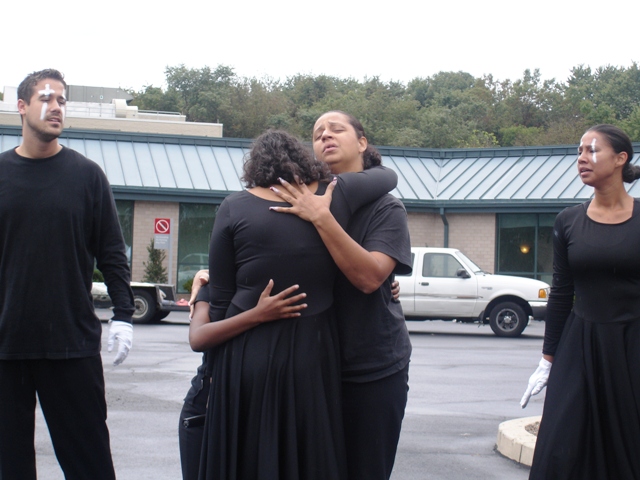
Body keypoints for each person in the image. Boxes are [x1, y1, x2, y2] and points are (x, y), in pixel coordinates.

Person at [191, 130, 397, 479]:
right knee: (306, 453)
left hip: (246, 355)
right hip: (312, 353)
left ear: (254, 168)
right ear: (303, 159)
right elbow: (387, 176)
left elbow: (222, 299)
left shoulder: (233, 207)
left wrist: (213, 371)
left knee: (249, 456)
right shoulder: (333, 195)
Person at [0, 69, 134, 480]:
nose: (56, 107)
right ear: (21, 107)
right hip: (5, 346)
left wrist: (124, 314)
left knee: (90, 465)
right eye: (46, 98)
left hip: (71, 345)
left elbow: (112, 252)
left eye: (61, 100)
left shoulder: (86, 176)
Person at [270, 110, 412, 480]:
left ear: (362, 142)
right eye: (317, 133)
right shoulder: (301, 198)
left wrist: (321, 218)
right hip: (311, 367)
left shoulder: (386, 208)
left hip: (372, 369)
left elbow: (369, 278)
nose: (325, 136)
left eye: (336, 129)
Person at [520, 124, 640, 479]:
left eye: (592, 150)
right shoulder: (568, 221)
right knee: (563, 448)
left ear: (620, 159)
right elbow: (561, 292)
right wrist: (547, 360)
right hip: (580, 347)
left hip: (633, 348)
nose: (582, 158)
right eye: (579, 152)